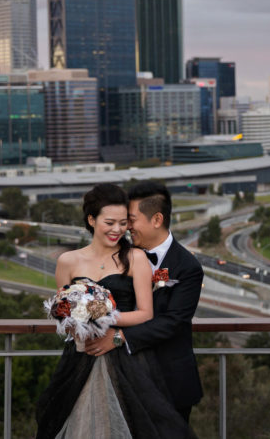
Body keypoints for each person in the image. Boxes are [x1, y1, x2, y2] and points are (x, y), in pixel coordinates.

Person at [34, 183, 195, 438]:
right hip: (80, 357)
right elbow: (64, 312)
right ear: (91, 219)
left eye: (123, 223)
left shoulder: (135, 258)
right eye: (110, 222)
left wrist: (102, 316)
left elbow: (146, 313)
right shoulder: (67, 261)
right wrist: (78, 321)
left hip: (126, 361)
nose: (118, 230)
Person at [87, 181, 204, 423]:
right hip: (123, 377)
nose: (126, 227)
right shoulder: (116, 255)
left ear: (157, 220)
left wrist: (119, 338)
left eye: (131, 219)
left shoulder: (188, 267)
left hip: (170, 379)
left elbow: (173, 321)